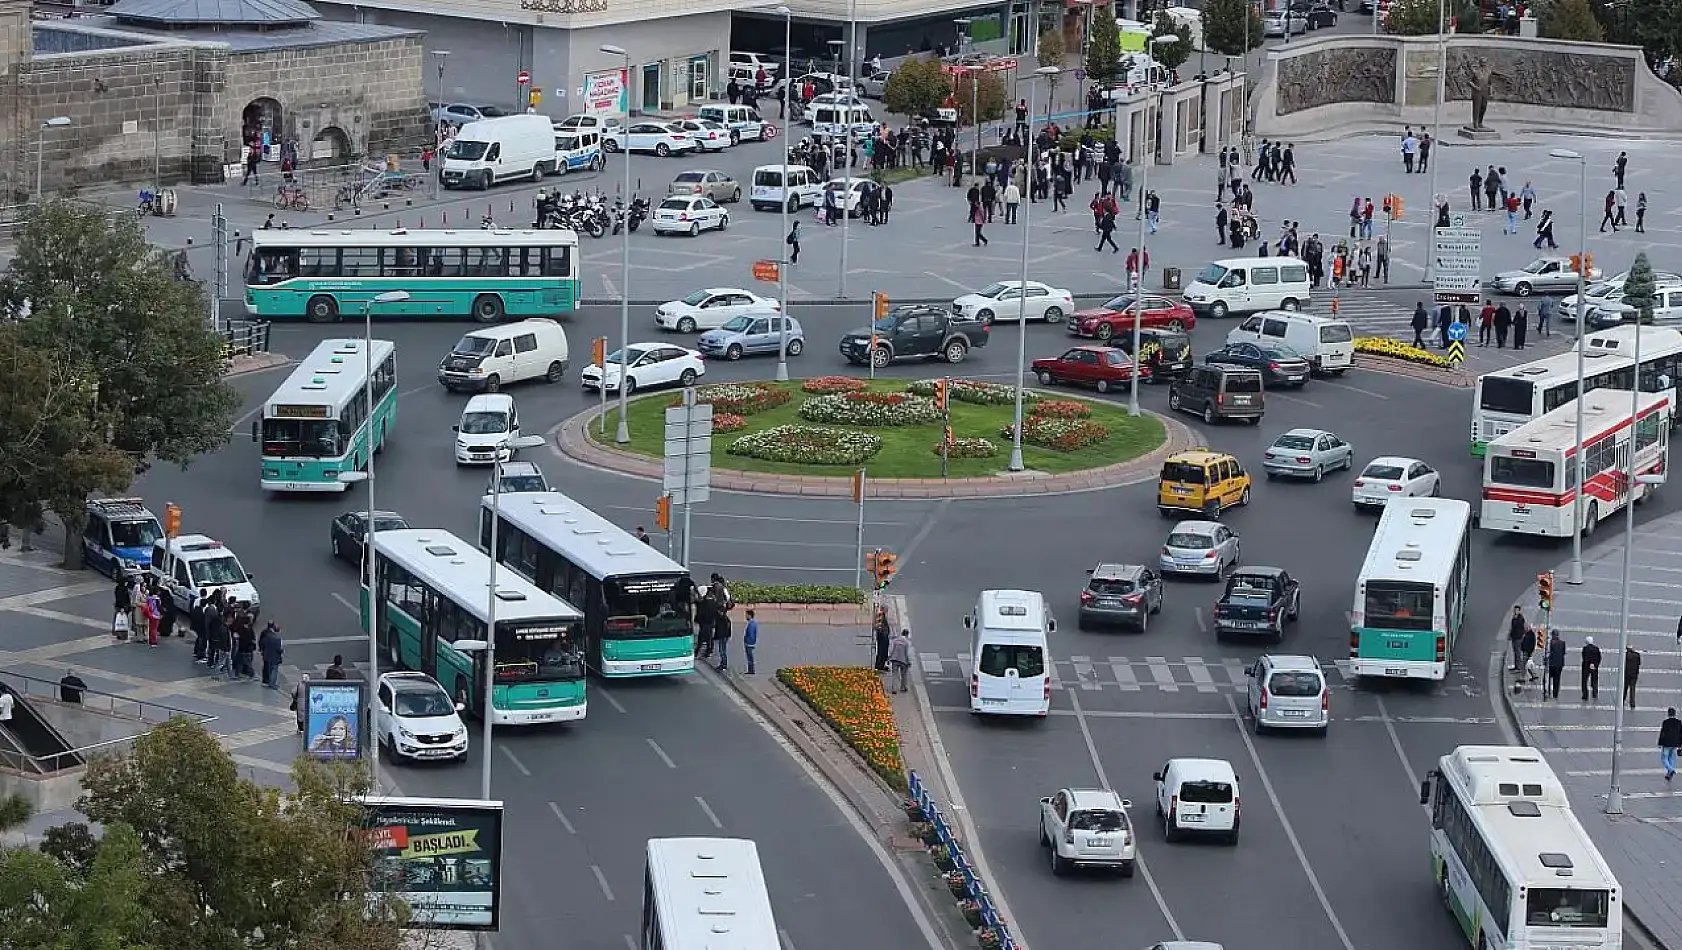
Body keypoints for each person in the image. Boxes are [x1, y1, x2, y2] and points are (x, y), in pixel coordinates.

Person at [259, 622, 284, 689]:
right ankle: (272, 684)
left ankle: (267, 681)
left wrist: (262, 650)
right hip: (275, 657)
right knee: (274, 671)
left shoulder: (266, 636)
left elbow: (262, 643)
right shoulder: (277, 639)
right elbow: (279, 649)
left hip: (267, 655)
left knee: (268, 669)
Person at [888, 627, 912, 694]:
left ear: (901, 633)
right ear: (907, 635)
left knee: (894, 674)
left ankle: (894, 689)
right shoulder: (907, 642)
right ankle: (903, 687)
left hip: (895, 659)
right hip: (903, 660)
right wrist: (908, 662)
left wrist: (889, 658)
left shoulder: (896, 640)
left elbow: (891, 650)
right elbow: (906, 653)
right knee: (904, 675)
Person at [1660, 708, 1682, 781]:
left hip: (1666, 743)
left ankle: (1671, 770)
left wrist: (1660, 743)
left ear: (1668, 714)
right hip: (1675, 743)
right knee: (1671, 758)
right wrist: (1680, 744)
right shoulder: (1679, 722)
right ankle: (1669, 774)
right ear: (1675, 714)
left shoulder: (1665, 722)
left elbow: (1662, 733)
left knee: (1664, 758)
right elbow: (1681, 734)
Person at [1544, 631, 1566, 700]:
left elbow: (1549, 653)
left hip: (1551, 664)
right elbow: (1563, 653)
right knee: (1557, 679)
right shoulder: (1563, 643)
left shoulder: (1550, 643)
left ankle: (1547, 692)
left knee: (1547, 678)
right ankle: (1555, 694)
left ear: (1553, 635)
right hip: (1559, 664)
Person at [1507, 605, 1528, 672]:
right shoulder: (1515, 617)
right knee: (1515, 652)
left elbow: (1517, 626)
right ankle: (1516, 666)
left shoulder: (1520, 618)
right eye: (1514, 610)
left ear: (1519, 611)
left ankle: (1518, 668)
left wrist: (1515, 619)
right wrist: (1510, 635)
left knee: (1518, 653)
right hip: (1514, 637)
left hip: (1518, 638)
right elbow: (1513, 628)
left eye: (1516, 610)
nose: (1515, 611)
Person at [1581, 635, 1601, 702]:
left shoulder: (1585, 648)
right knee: (1594, 681)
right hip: (1594, 667)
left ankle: (1585, 695)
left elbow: (1584, 657)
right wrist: (1596, 665)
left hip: (1586, 667)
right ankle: (1595, 694)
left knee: (1584, 681)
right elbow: (1599, 658)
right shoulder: (1596, 648)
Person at [742, 609, 759, 675]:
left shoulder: (751, 624)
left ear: (749, 615)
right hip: (750, 643)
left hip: (749, 643)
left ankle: (751, 670)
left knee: (749, 657)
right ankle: (750, 670)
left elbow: (751, 635)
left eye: (746, 615)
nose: (745, 616)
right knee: (750, 657)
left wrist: (747, 642)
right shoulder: (753, 623)